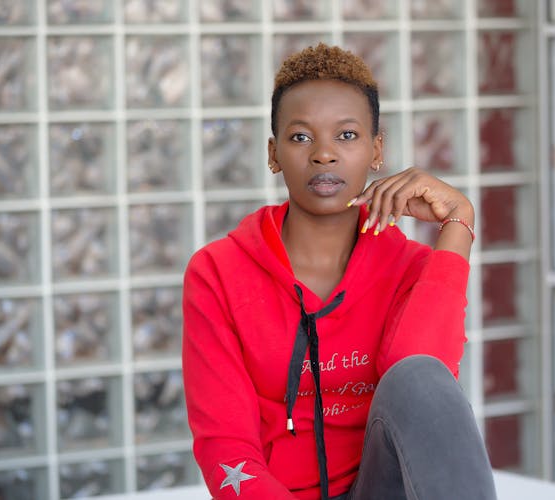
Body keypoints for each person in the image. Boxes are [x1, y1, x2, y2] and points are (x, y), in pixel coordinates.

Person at [182, 43, 497, 500]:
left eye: (347, 136)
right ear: (273, 154)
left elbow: (417, 376)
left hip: (381, 489)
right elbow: (226, 446)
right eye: (301, 137)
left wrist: (458, 223)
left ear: (377, 150)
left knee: (420, 378)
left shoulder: (410, 268)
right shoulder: (218, 273)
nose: (324, 155)